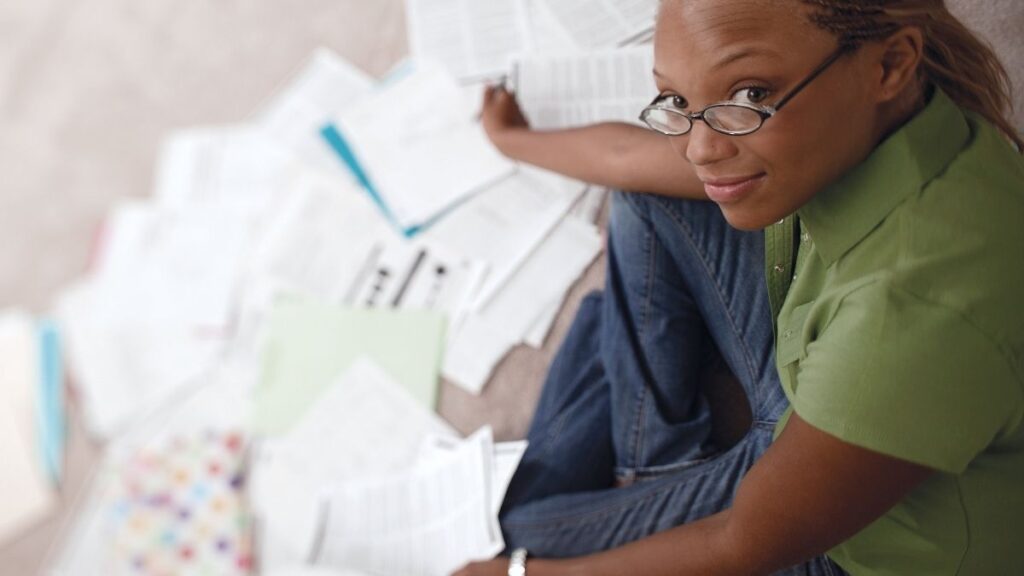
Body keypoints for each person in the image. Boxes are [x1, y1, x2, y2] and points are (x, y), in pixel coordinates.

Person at [454, 0, 1024, 575]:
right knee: (650, 197)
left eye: (751, 94)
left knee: (513, 527)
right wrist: (511, 140)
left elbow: (741, 543)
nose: (701, 149)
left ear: (889, 64)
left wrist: (521, 572)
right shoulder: (893, 116)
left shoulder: (913, 312)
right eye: (677, 101)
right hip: (825, 370)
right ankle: (658, 476)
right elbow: (631, 158)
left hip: (847, 545)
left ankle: (647, 478)